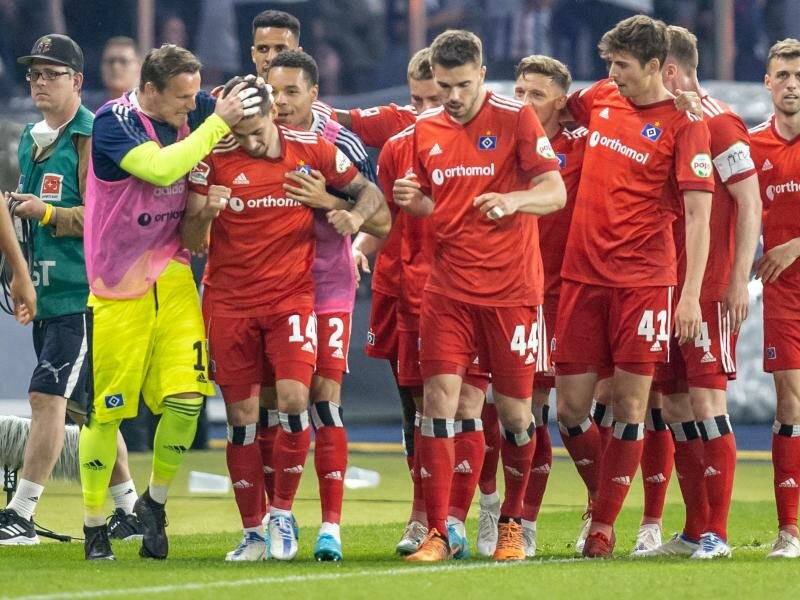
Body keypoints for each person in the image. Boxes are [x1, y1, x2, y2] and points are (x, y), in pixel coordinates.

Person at [184, 74, 386, 562]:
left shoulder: (311, 149)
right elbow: (191, 239)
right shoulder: (210, 156)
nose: (249, 141)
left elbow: (373, 197)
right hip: (228, 301)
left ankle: (281, 512)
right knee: (242, 419)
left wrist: (351, 216)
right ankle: (252, 532)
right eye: (240, 130)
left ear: (274, 114)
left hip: (291, 300)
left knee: (298, 401)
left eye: (256, 130)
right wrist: (205, 215)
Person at [394, 29, 566, 562]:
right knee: (439, 407)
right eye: (444, 85)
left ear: (482, 75)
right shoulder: (425, 130)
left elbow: (555, 192)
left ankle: (512, 523)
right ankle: (442, 531)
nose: (453, 96)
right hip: (447, 291)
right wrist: (414, 199)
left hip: (512, 291)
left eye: (463, 84)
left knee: (516, 417)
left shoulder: (516, 118)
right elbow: (432, 207)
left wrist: (513, 202)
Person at [79, 43, 254, 560]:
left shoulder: (193, 109)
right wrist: (216, 124)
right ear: (150, 90)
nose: (190, 106)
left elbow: (234, 112)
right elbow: (159, 169)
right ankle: (93, 525)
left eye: (195, 97)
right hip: (116, 287)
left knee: (187, 397)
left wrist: (255, 89)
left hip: (172, 274)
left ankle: (153, 503)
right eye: (182, 98)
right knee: (108, 413)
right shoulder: (115, 122)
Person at [552, 15, 713, 559]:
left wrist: (689, 294)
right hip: (580, 276)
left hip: (644, 282)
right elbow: (554, 106)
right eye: (610, 64)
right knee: (570, 411)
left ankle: (601, 527)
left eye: (622, 65)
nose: (612, 74)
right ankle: (607, 503)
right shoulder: (600, 96)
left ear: (655, 67)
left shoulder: (684, 124)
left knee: (630, 404)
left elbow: (697, 214)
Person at [0, 34, 141, 546]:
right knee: (88, 411)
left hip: (84, 292)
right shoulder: (29, 137)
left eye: (51, 73)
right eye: (34, 73)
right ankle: (131, 510)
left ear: (78, 81)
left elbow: (107, 218)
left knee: (46, 396)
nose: (39, 82)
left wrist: (48, 213)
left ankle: (22, 514)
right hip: (47, 291)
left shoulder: (91, 135)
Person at [639, 25, 761, 559]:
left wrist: (738, 281)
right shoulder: (676, 121)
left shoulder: (720, 121)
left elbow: (750, 201)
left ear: (667, 70)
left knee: (709, 403)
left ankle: (718, 534)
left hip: (707, 288)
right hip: (669, 283)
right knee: (676, 405)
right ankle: (693, 531)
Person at [267, 49, 388, 561]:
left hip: (327, 287)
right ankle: (277, 518)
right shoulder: (251, 137)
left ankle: (331, 527)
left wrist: (336, 205)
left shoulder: (342, 144)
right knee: (274, 406)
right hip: (269, 287)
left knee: (322, 400)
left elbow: (381, 218)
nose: (280, 102)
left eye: (291, 92)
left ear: (315, 93)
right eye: (274, 91)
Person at [347, 47, 441, 556]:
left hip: (452, 290)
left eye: (435, 97)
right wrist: (360, 248)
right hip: (395, 286)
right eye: (416, 98)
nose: (425, 108)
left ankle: (471, 511)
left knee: (460, 408)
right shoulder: (397, 144)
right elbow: (382, 219)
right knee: (412, 407)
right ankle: (423, 515)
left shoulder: (479, 142)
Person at [507, 54, 587, 558]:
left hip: (578, 291)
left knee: (582, 414)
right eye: (519, 92)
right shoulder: (502, 144)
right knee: (524, 412)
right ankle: (523, 522)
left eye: (536, 95)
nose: (524, 103)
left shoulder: (587, 145)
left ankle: (605, 510)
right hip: (521, 292)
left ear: (562, 102)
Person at [749, 38, 800, 559]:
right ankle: (789, 533)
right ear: (767, 82)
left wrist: (795, 244)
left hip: (789, 268)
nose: (792, 84)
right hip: (784, 295)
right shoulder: (752, 146)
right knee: (790, 403)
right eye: (783, 75)